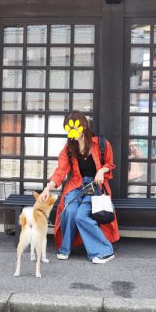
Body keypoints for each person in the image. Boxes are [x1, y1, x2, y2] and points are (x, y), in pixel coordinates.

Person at [38, 111, 119, 264]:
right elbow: (61, 171)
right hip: (76, 186)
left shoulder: (101, 143)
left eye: (73, 129)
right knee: (69, 211)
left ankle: (104, 251)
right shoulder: (69, 148)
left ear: (83, 126)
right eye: (68, 130)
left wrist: (101, 170)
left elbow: (110, 164)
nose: (71, 134)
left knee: (81, 215)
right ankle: (65, 248)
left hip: (95, 187)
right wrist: (48, 187)